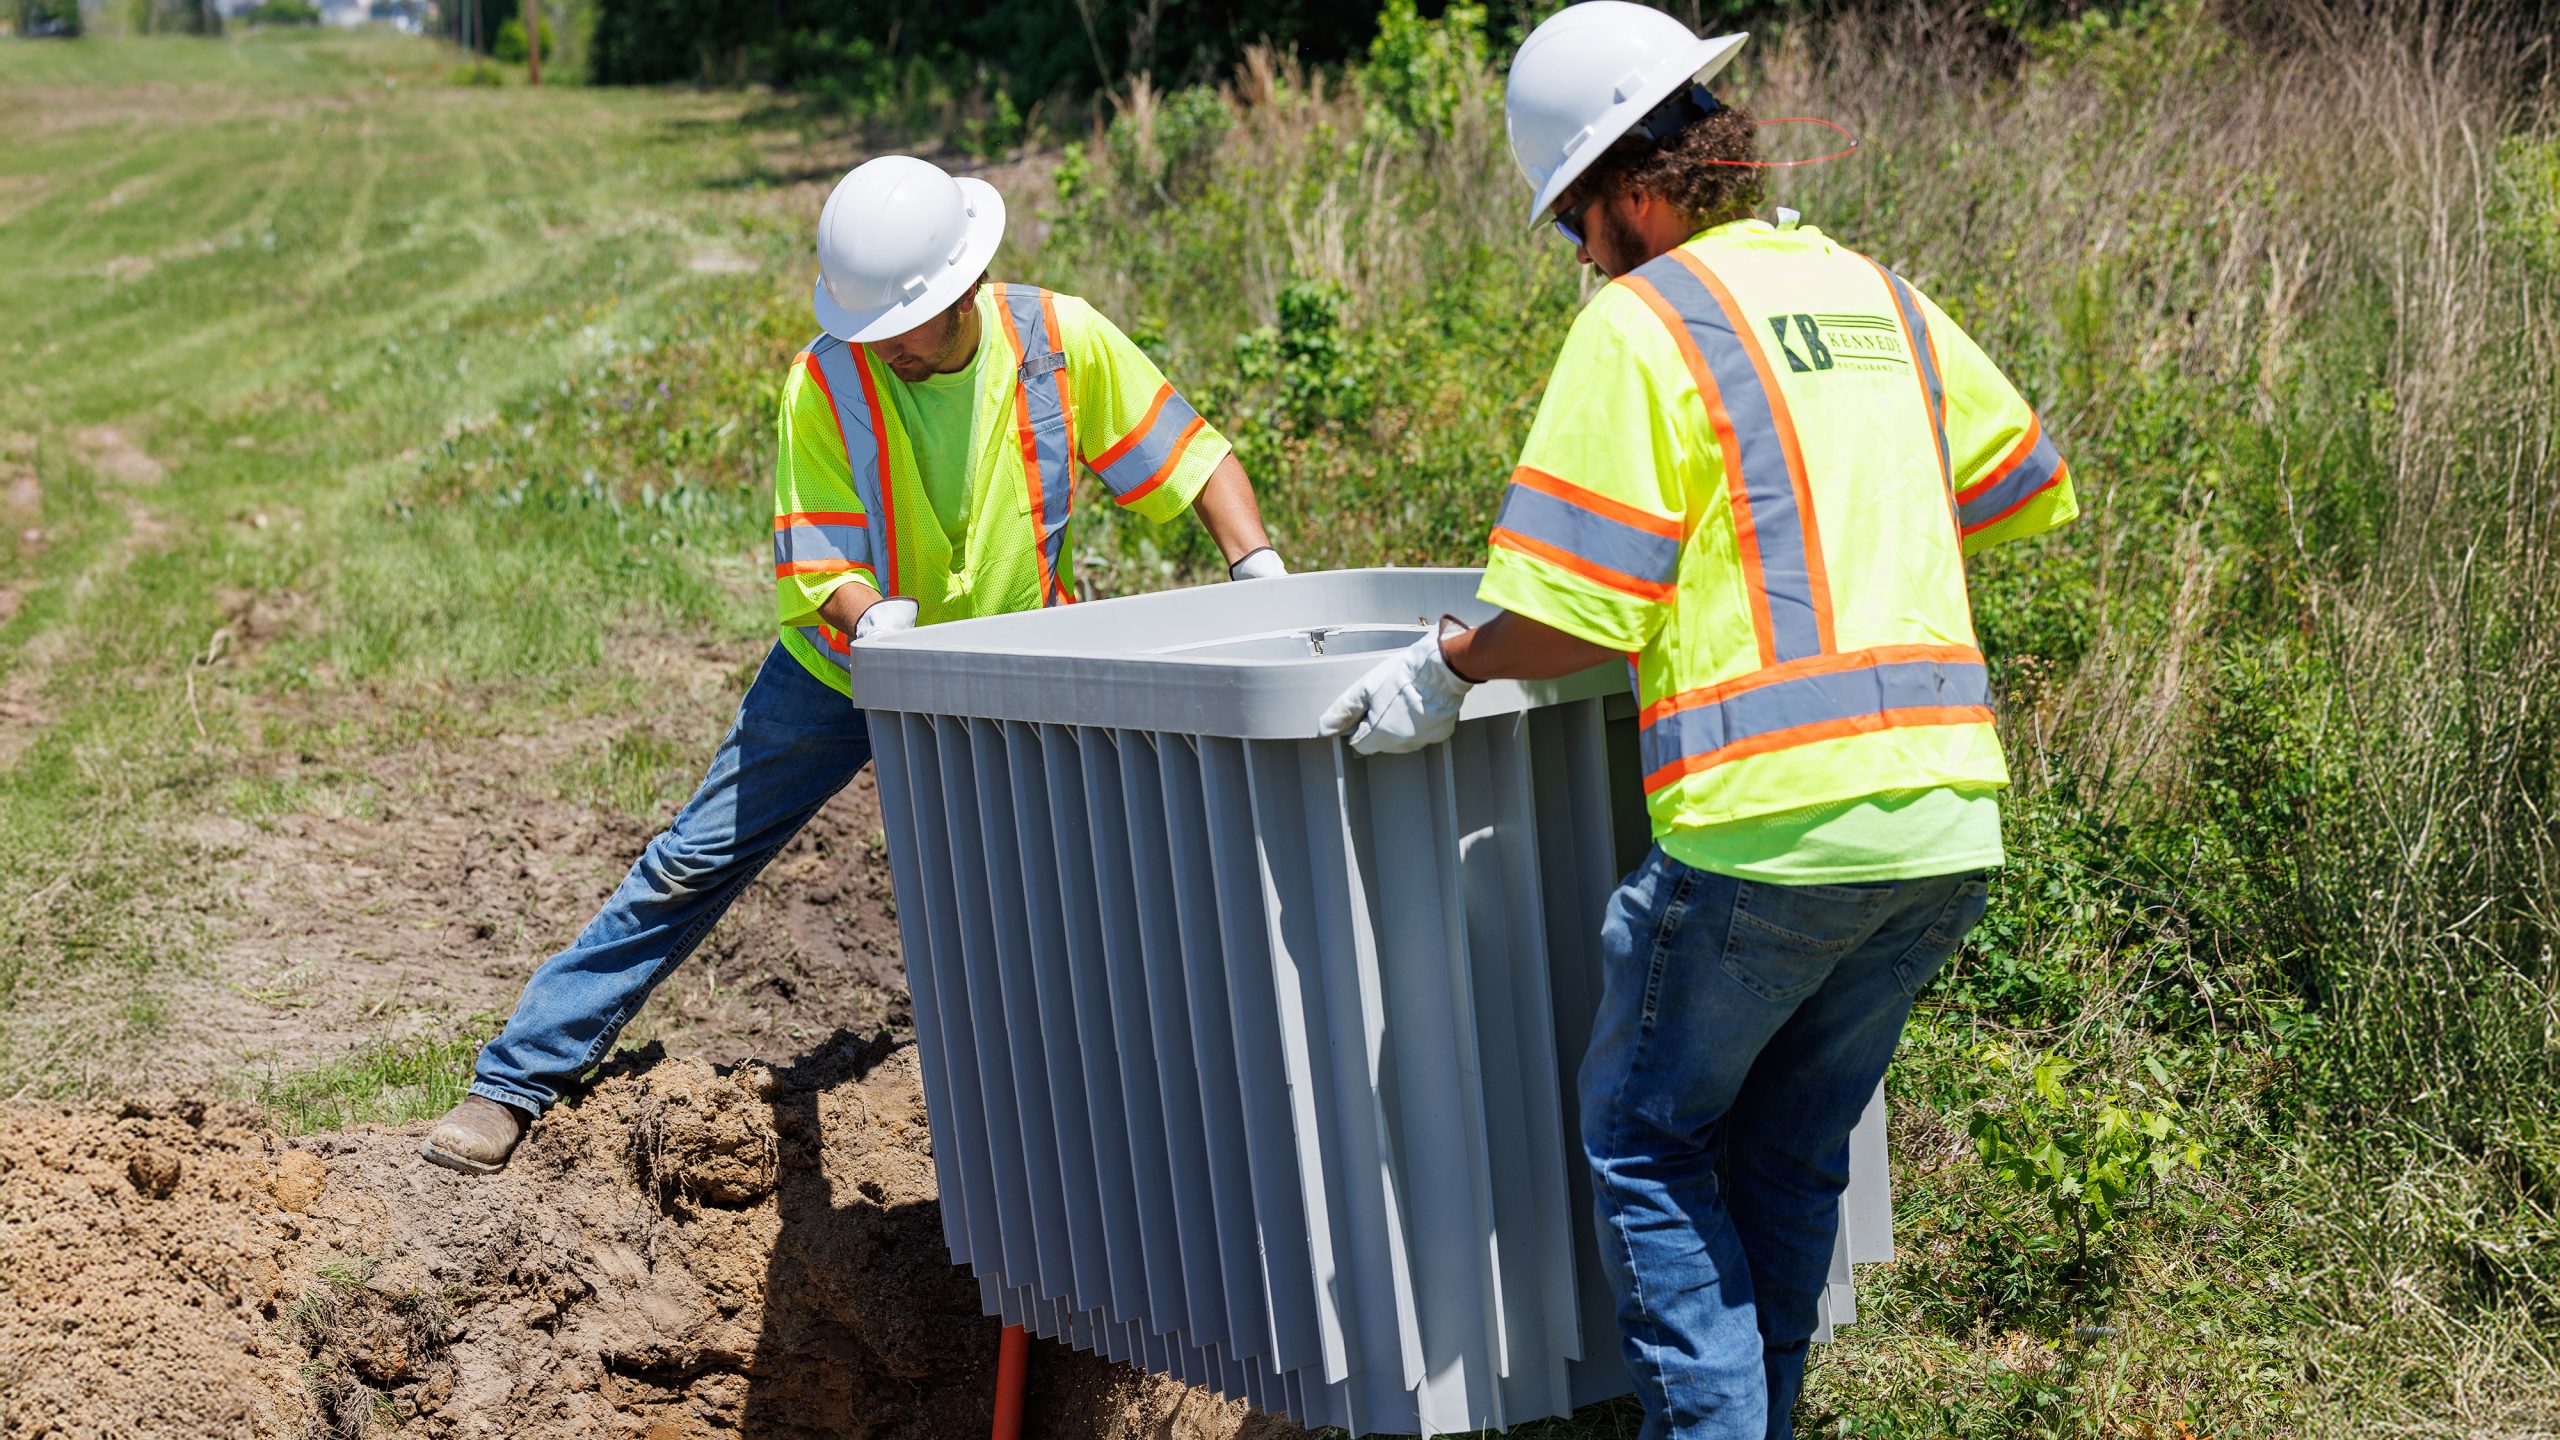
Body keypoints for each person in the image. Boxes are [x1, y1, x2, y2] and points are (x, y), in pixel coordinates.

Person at [1320, 6, 2076, 1435]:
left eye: (1576, 226)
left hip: (1766, 832)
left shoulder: (1648, 321)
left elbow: (1576, 611)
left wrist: (1449, 666)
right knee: (1788, 1161)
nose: (1580, 258)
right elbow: (2023, 483)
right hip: (1946, 827)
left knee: (1649, 1144)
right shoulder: (1874, 294)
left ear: (1641, 192)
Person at [426, 154, 1285, 1174]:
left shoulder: (1059, 341)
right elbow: (821, 557)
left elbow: (1192, 456)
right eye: (864, 327)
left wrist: (1258, 569)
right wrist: (877, 621)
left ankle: (1097, 1112)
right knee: (692, 860)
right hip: (839, 671)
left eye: (900, 328)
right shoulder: (824, 378)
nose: (881, 348)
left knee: (1071, 887)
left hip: (1007, 679)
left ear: (963, 288)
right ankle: (515, 1079)